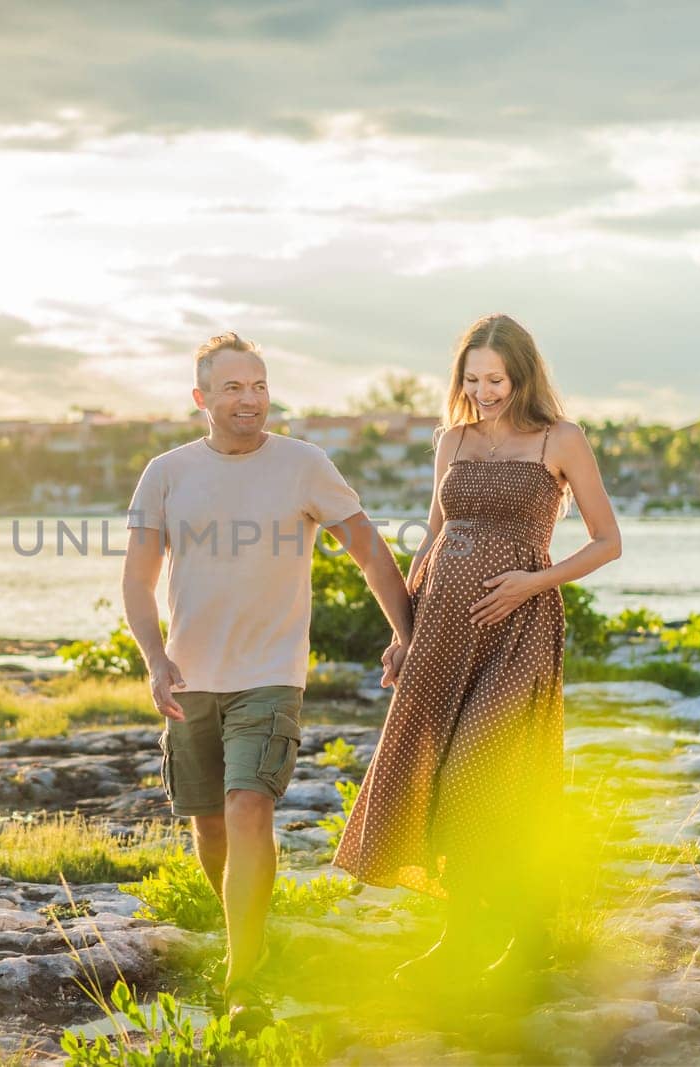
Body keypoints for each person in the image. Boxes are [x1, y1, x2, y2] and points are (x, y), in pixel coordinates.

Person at [120, 332, 413, 1029]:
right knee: (211, 825)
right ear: (202, 398)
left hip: (271, 675)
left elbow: (371, 552)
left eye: (258, 385)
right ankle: (241, 933)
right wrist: (155, 659)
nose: (249, 399)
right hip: (190, 678)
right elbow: (137, 579)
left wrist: (407, 632)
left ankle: (242, 975)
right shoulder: (166, 472)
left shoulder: (305, 465)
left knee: (251, 806)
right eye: (232, 387)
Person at [332, 313, 622, 991]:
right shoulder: (452, 439)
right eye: (472, 378)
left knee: (480, 776)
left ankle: (517, 927)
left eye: (496, 378)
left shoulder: (560, 438)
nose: (485, 390)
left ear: (521, 375)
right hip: (441, 629)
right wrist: (404, 631)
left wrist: (533, 581)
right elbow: (432, 537)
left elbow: (607, 541)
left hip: (519, 629)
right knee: (435, 775)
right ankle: (473, 934)